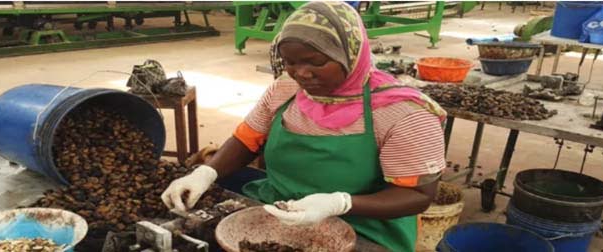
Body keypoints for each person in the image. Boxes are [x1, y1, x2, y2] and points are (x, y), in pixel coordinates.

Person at [161, 2, 447, 251]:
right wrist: (205, 172)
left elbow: (417, 196)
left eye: (315, 62)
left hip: (367, 230)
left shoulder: (405, 113)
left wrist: (339, 204)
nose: (302, 73)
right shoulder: (286, 89)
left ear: (350, 53)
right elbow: (248, 139)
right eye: (290, 63)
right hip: (278, 214)